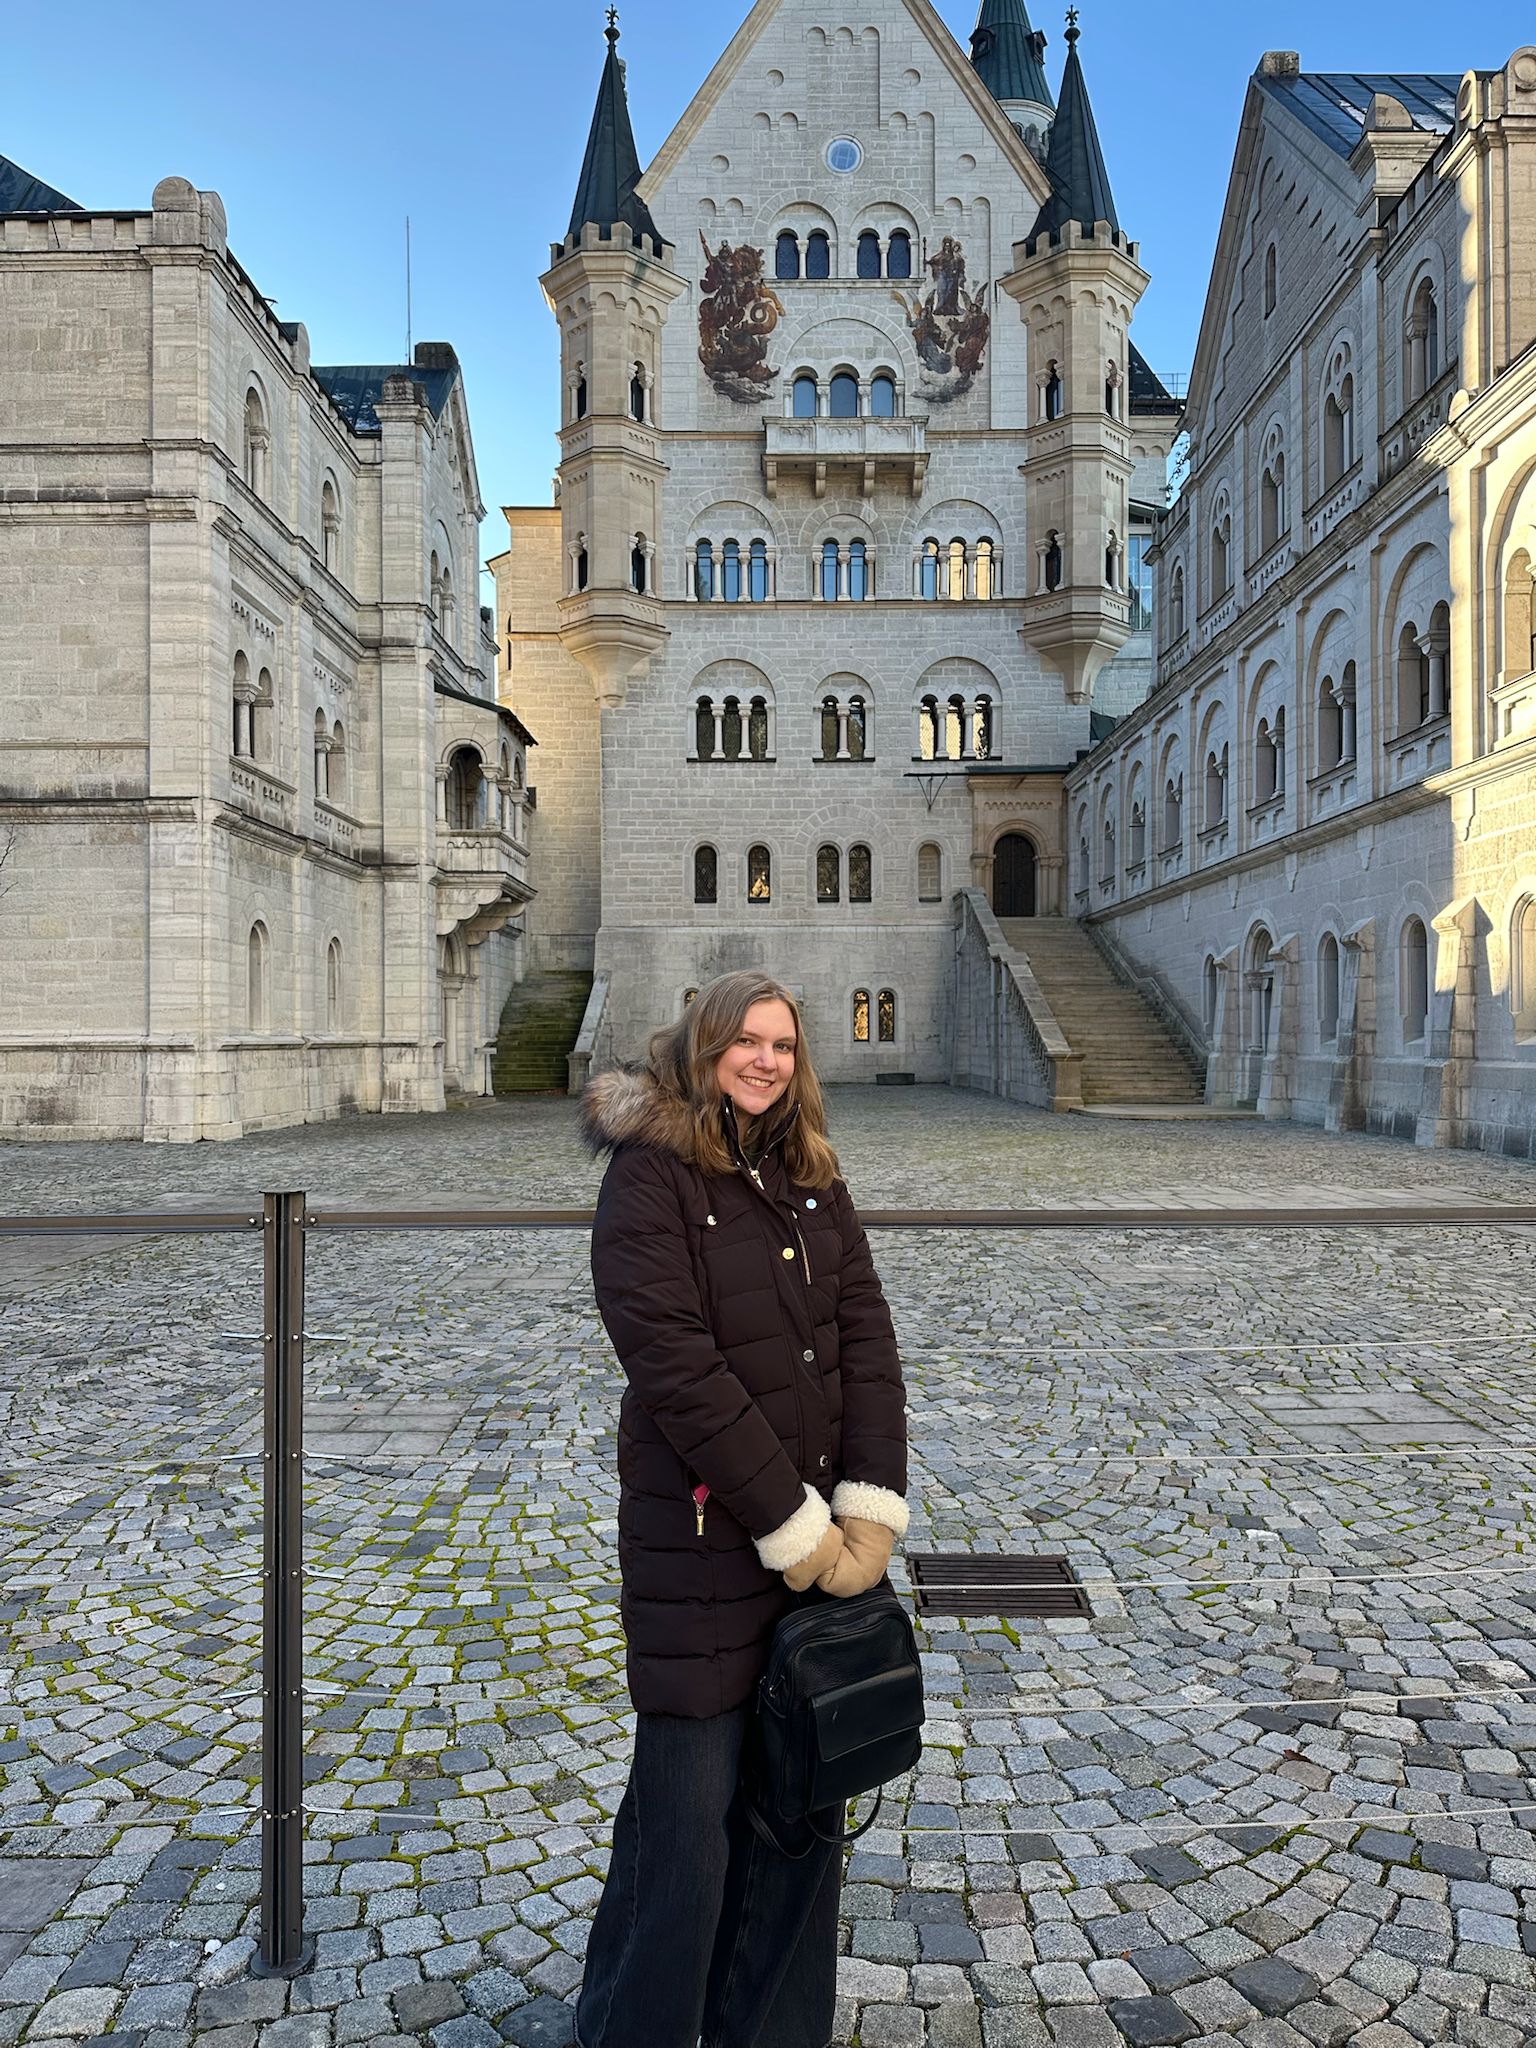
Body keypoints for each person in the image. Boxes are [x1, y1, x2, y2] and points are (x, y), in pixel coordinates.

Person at [574, 970, 909, 2048]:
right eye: (747, 1041)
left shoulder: (810, 1172)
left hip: (820, 1558)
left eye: (784, 1044)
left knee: (799, 1820)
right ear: (706, 1043)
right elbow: (676, 1366)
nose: (767, 1060)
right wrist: (796, 1527)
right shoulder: (651, 1174)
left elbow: (866, 1336)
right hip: (704, 1550)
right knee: (685, 1833)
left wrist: (868, 1514)